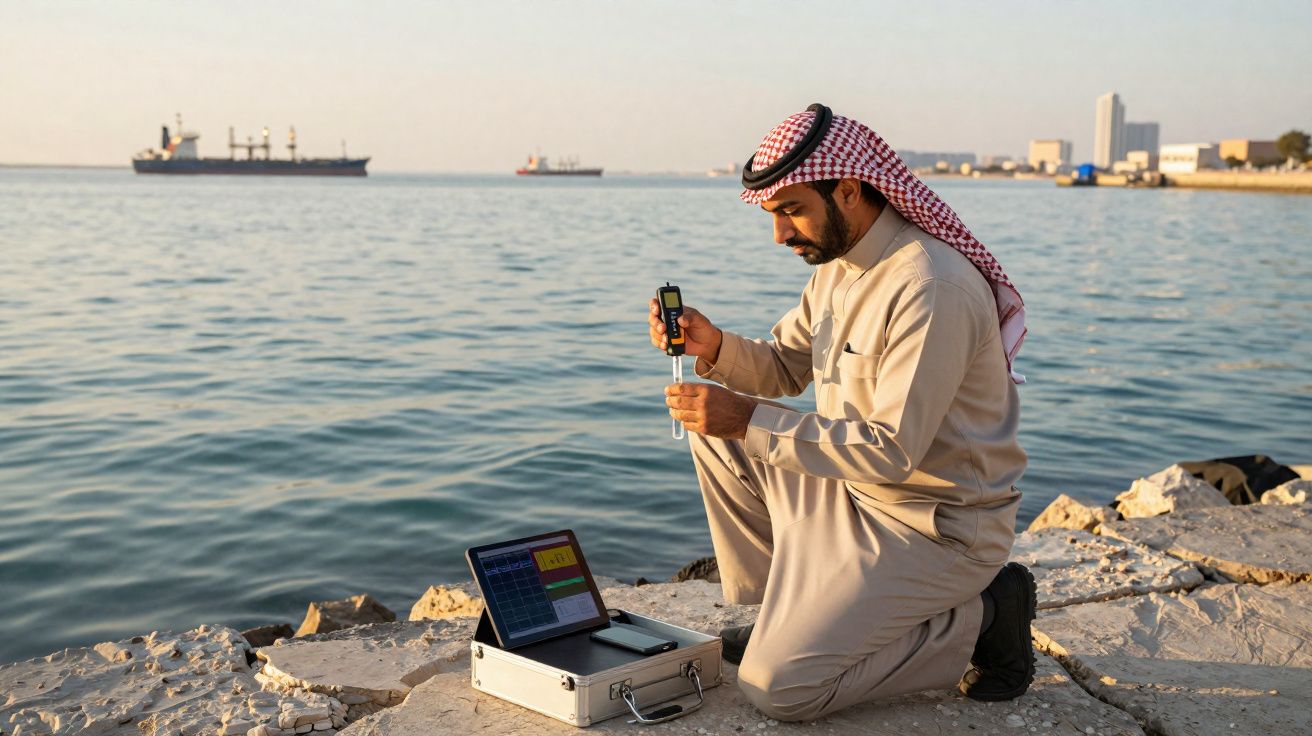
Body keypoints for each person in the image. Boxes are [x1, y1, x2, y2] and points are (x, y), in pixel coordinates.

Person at [646, 104, 1034, 721]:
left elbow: (890, 449)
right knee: (714, 433)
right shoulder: (840, 266)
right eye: (773, 215)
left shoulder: (930, 286)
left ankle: (985, 616)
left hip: (935, 527)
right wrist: (713, 347)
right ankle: (786, 611)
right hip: (854, 495)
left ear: (849, 189)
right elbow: (783, 366)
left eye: (791, 210)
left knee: (781, 690)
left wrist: (746, 418)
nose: (779, 234)